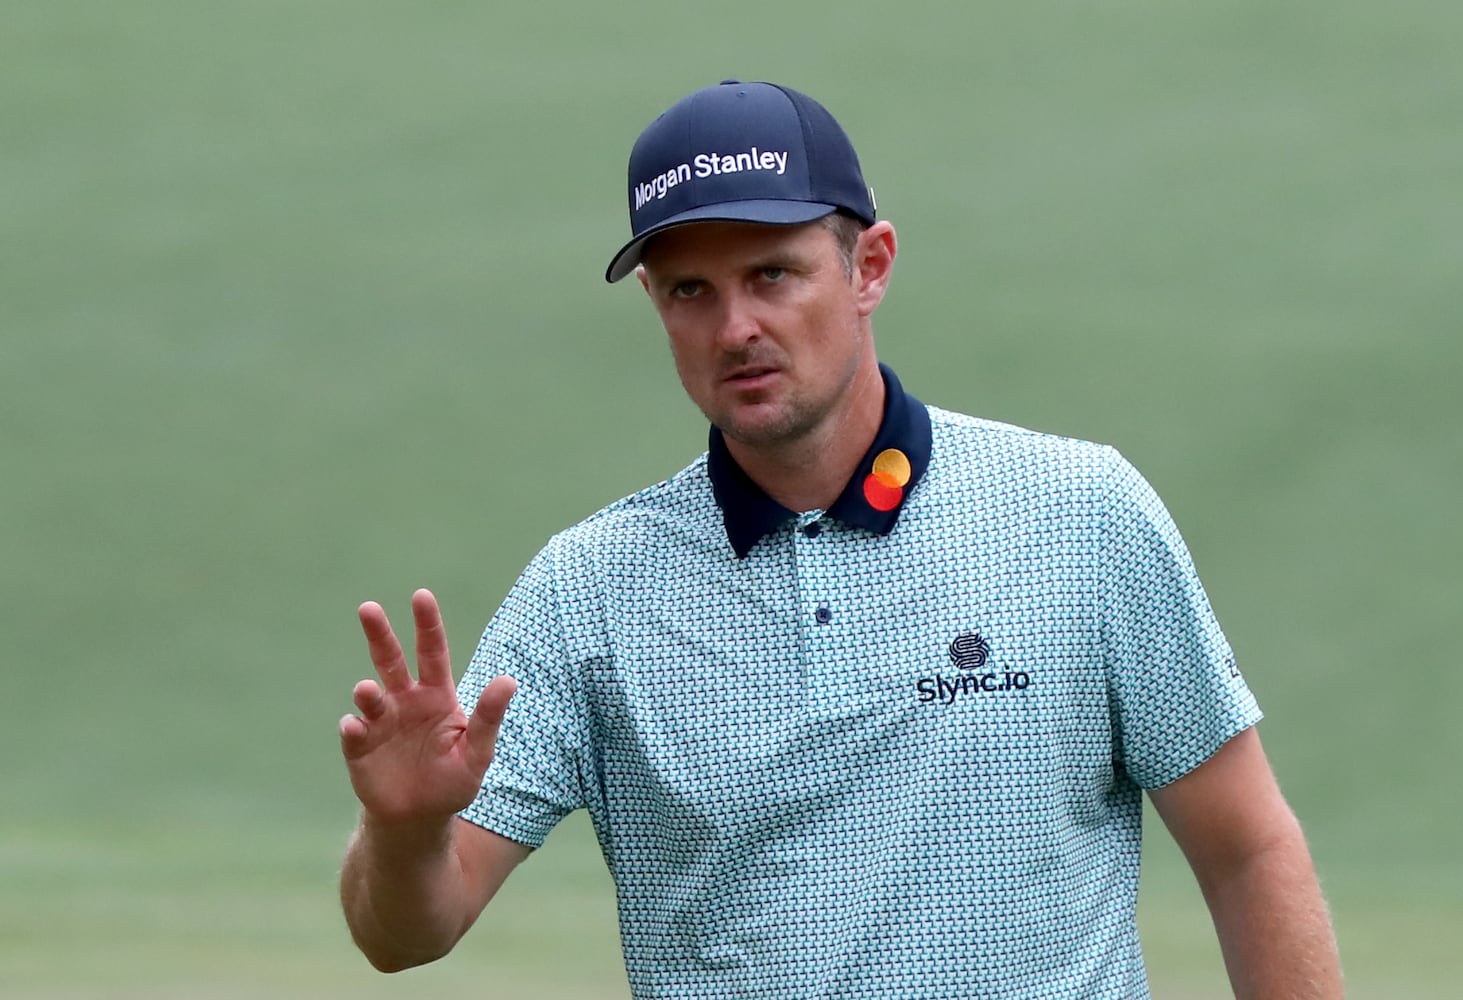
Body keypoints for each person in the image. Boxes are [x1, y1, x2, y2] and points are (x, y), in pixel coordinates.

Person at [338, 80, 1343, 998]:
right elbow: (406, 932)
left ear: (869, 266)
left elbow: (1247, 850)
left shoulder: (1081, 515)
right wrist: (404, 830)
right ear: (657, 305)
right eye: (692, 290)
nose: (735, 327)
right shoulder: (590, 588)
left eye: (772, 274)